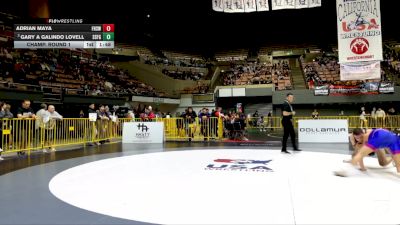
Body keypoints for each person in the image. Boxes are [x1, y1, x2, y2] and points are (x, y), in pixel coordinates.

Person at [334, 128, 400, 177]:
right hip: (387, 137)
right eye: (357, 138)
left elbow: (360, 154)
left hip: (379, 138)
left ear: (362, 134)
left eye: (360, 137)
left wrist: (362, 168)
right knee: (398, 168)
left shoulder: (365, 135)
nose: (359, 139)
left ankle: (345, 170)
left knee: (360, 154)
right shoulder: (395, 140)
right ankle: (393, 158)